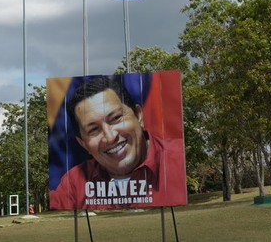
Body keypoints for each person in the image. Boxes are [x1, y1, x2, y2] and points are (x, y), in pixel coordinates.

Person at [49, 76, 186, 210]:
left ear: (139, 116)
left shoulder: (180, 160)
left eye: (116, 118)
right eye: (94, 129)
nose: (110, 137)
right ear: (83, 143)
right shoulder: (73, 185)